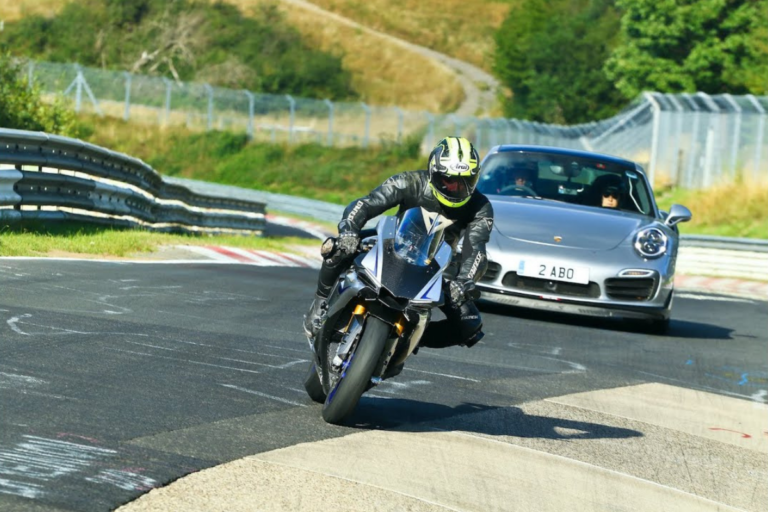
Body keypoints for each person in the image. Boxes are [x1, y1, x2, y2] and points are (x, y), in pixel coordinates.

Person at [303, 136, 494, 350]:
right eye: (447, 179)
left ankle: (408, 339)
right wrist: (349, 230)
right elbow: (365, 204)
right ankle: (320, 302)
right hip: (392, 241)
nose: (454, 187)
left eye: (464, 181)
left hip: (438, 265)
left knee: (470, 324)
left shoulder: (481, 207)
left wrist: (465, 280)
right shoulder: (408, 181)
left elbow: (476, 250)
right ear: (433, 172)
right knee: (337, 247)